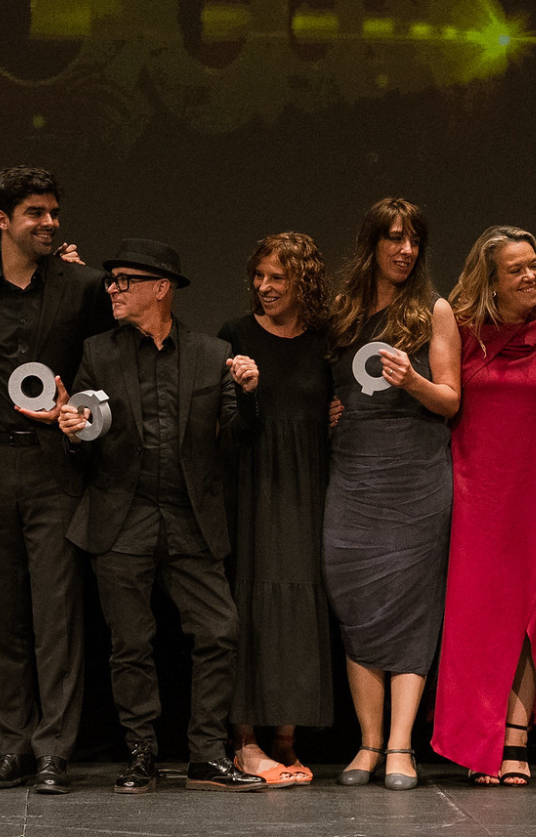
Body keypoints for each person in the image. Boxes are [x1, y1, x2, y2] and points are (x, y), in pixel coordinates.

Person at [59, 239, 267, 794]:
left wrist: (247, 395)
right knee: (131, 643)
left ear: (161, 287)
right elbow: (85, 433)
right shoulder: (98, 352)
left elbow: (240, 438)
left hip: (190, 517)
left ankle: (205, 754)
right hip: (121, 517)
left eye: (124, 280)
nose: (113, 290)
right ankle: (141, 753)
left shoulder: (209, 353)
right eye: (110, 281)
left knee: (219, 630)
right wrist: (74, 431)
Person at [0, 167, 113, 794]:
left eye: (52, 212)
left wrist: (81, 411)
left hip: (54, 466)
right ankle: (12, 745)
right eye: (35, 213)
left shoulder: (85, 286)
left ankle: (53, 751)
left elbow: (105, 373)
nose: (49, 223)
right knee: (0, 618)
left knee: (56, 614)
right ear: (2, 221)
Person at [432, 226, 536, 786]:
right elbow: (441, 400)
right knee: (478, 619)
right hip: (477, 494)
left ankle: (514, 741)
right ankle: (479, 739)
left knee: (530, 618)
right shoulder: (463, 330)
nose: (531, 275)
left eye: (535, 264)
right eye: (516, 268)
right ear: (490, 279)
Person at [322, 197, 461, 792]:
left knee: (410, 607)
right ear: (372, 244)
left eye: (413, 241)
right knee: (356, 600)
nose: (405, 250)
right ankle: (368, 743)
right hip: (353, 472)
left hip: (414, 473)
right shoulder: (343, 312)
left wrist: (415, 382)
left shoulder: (434, 311)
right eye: (393, 239)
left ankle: (401, 746)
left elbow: (452, 399)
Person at [217, 233, 336, 787]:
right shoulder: (236, 336)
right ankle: (244, 740)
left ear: (303, 282)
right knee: (253, 601)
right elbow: (225, 424)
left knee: (298, 604)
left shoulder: (323, 343)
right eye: (260, 276)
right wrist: (247, 393)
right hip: (254, 484)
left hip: (308, 484)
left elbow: (334, 407)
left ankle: (286, 737)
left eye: (278, 278)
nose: (264, 287)